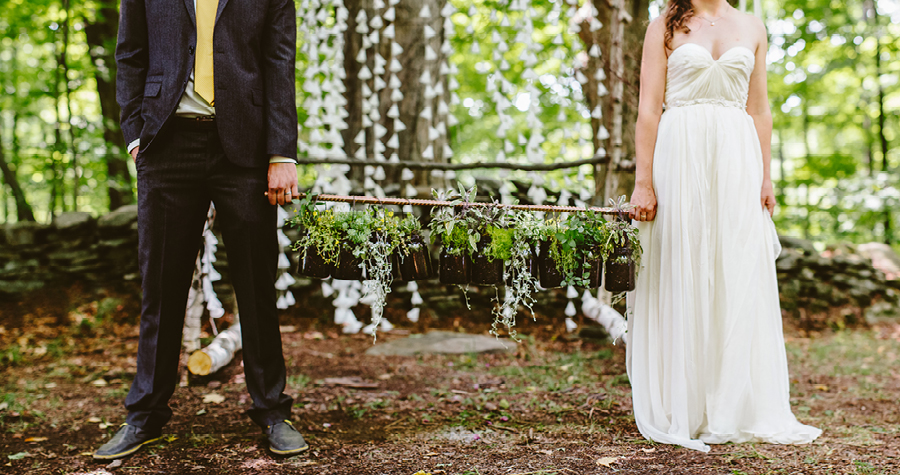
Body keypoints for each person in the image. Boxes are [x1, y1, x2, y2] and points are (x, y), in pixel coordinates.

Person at [93, 0, 306, 460]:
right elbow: (130, 53)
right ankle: (145, 415)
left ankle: (272, 412)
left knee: (256, 287)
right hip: (165, 143)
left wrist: (281, 153)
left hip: (247, 149)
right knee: (161, 288)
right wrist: (135, 136)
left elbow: (279, 61)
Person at [626, 0, 822, 452]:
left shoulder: (752, 26)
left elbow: (760, 110)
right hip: (680, 154)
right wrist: (643, 182)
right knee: (683, 268)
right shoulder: (663, 26)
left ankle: (731, 404)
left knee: (735, 270)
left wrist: (766, 176)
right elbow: (649, 109)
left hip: (736, 157)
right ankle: (685, 403)